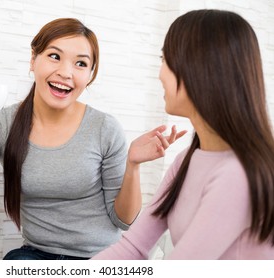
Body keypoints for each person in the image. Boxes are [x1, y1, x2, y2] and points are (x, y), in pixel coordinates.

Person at [0, 18, 185, 260]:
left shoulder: (105, 128)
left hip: (102, 257)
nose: (65, 73)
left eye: (80, 63)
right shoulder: (0, 124)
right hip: (36, 255)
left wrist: (132, 166)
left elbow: (124, 221)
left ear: (90, 75)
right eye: (54, 56)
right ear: (33, 59)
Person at [92, 9, 274, 260]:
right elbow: (132, 248)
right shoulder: (186, 162)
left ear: (199, 68)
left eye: (165, 59)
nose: (159, 73)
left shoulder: (238, 174)